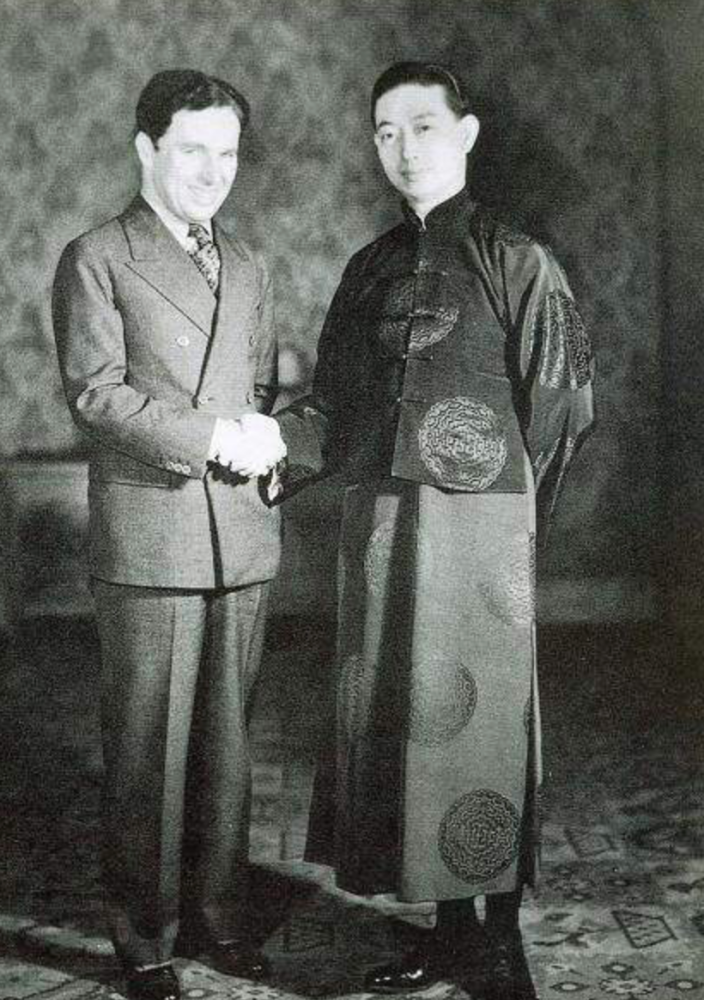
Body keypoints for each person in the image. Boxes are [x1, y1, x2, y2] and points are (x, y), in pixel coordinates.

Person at [264, 62, 595, 999]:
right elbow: (332, 401)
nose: (403, 148)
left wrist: (508, 514)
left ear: (466, 133)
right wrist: (265, 446)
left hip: (481, 530)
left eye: (421, 126)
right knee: (408, 718)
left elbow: (563, 406)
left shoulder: (515, 257)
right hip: (379, 522)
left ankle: (500, 941)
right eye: (385, 131)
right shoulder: (367, 268)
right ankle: (449, 932)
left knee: (484, 724)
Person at [52, 70, 286, 1000]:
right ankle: (145, 941)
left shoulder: (252, 264)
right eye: (193, 149)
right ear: (146, 149)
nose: (213, 171)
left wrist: (263, 431)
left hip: (241, 535)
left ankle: (219, 921)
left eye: (228, 153)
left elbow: (257, 387)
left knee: (228, 748)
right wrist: (215, 437)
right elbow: (96, 396)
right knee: (148, 753)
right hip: (152, 538)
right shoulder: (97, 257)